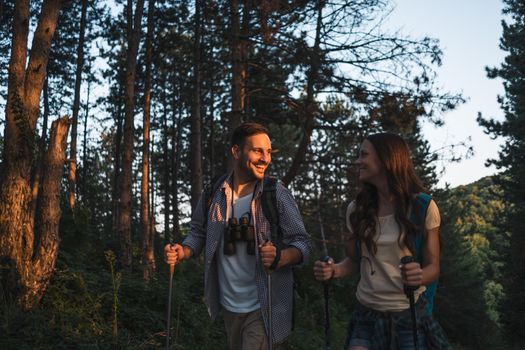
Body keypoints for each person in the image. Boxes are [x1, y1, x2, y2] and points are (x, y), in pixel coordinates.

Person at [165, 122, 311, 350]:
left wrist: (280, 257)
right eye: (257, 151)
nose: (266, 158)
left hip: (265, 306)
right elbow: (198, 232)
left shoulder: (276, 193)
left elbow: (302, 243)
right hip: (229, 307)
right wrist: (182, 251)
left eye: (268, 152)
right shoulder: (214, 192)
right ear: (236, 151)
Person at [314, 132, 452, 350]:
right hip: (366, 315)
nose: (358, 161)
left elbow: (433, 267)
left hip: (409, 314)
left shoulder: (423, 207)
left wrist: (419, 276)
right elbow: (354, 261)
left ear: (385, 159)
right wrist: (334, 271)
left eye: (364, 155)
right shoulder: (356, 210)